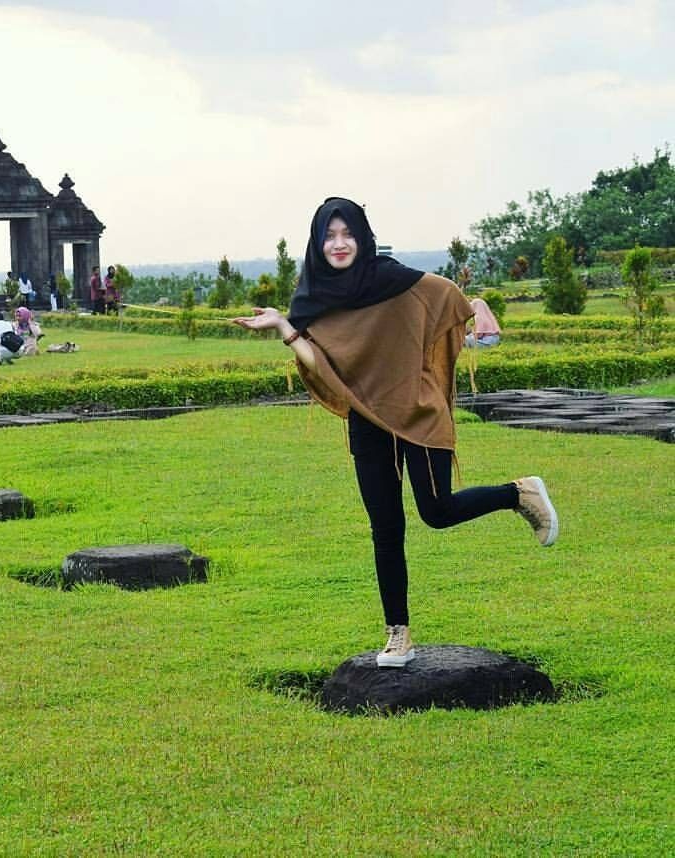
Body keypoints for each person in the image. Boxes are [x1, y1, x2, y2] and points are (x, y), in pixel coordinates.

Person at [232, 197, 559, 668]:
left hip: (418, 411)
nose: (339, 244)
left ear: (363, 236)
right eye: (329, 235)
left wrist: (478, 306)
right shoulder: (313, 299)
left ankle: (519, 493)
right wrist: (285, 325)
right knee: (385, 529)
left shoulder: (396, 280)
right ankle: (398, 635)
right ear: (317, 241)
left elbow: (448, 299)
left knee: (438, 511)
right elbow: (321, 365)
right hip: (369, 422)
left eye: (347, 234)